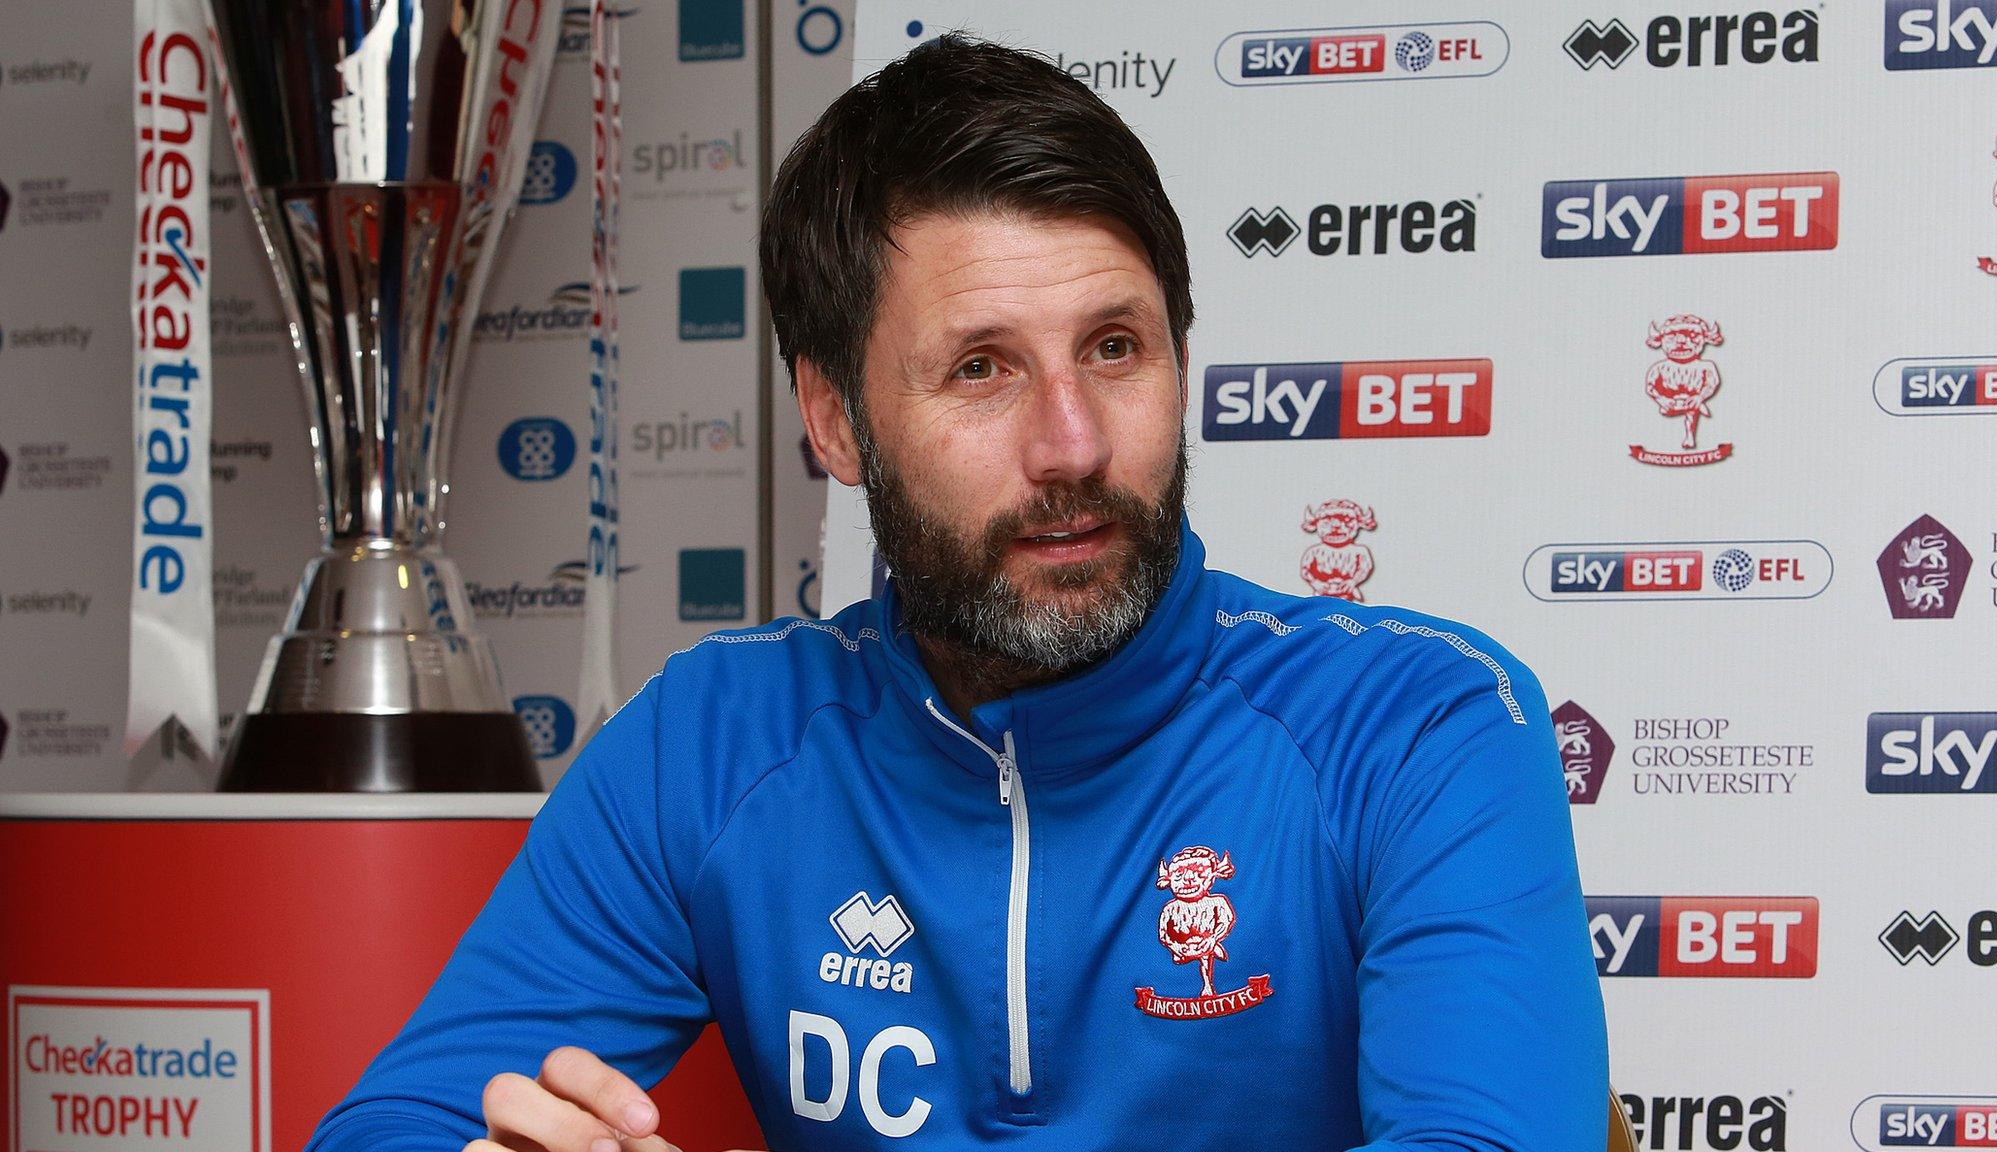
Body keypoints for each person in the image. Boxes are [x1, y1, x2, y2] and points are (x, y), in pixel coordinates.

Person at [306, 34, 1607, 1152]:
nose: (1075, 443)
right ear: (834, 419)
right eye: (982, 368)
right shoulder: (714, 745)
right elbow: (391, 1125)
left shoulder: (1416, 725)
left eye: (1116, 347)